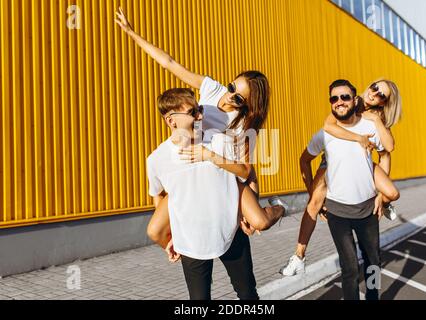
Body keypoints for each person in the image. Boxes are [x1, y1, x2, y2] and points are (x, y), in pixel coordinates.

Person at [115, 7, 288, 258]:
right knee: (155, 230)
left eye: (238, 98)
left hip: (223, 174)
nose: (229, 97)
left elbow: (247, 170)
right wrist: (132, 34)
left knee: (259, 222)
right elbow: (169, 62)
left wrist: (248, 209)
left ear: (248, 105)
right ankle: (176, 248)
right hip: (190, 169)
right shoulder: (211, 88)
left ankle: (279, 208)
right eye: (231, 86)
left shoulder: (243, 125)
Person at [280, 79, 402, 277]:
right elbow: (328, 127)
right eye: (374, 87)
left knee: (391, 193)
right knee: (314, 203)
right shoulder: (351, 101)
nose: (374, 93)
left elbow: (387, 151)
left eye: (381, 95)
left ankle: (385, 204)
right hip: (335, 158)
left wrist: (379, 192)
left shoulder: (377, 117)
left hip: (361, 162)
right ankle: (299, 256)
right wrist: (359, 138)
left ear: (384, 102)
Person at [147, 88, 260, 300]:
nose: (200, 116)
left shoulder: (219, 142)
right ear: (171, 121)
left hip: (230, 232)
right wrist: (170, 235)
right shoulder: (156, 159)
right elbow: (159, 196)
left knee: (247, 295)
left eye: (199, 109)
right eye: (192, 112)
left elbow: (245, 173)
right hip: (191, 241)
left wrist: (210, 156)